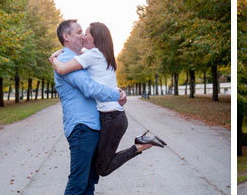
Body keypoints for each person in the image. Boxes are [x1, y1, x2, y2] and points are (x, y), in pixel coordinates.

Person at [49, 22, 166, 179]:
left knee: (102, 168)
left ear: (95, 37)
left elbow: (63, 69)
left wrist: (53, 60)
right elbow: (75, 50)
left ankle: (140, 145)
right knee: (97, 164)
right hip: (113, 117)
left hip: (111, 118)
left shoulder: (93, 55)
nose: (83, 36)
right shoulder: (101, 54)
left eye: (86, 33)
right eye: (81, 33)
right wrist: (62, 50)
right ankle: (140, 144)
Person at [53, 19, 127, 195]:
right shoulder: (64, 61)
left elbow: (97, 74)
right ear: (66, 37)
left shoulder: (78, 60)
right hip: (81, 128)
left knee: (87, 184)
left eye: (83, 32)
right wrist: (117, 95)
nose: (82, 36)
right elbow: (89, 88)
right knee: (76, 184)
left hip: (92, 126)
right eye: (77, 32)